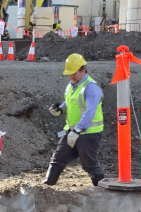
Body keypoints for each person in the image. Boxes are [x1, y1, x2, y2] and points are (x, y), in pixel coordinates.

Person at [43, 52, 105, 186]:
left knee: (89, 164)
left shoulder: (91, 88)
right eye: (69, 73)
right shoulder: (72, 85)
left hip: (88, 133)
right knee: (57, 158)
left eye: (74, 73)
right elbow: (71, 104)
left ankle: (102, 190)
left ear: (83, 70)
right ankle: (47, 186)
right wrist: (60, 109)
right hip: (71, 131)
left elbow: (90, 112)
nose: (71, 76)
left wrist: (77, 130)